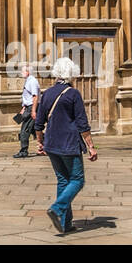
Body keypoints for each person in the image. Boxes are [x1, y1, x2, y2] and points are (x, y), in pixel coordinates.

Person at [33, 57, 96, 235]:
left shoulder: (48, 93)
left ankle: (65, 224)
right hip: (69, 144)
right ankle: (58, 208)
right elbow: (82, 123)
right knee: (77, 180)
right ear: (71, 74)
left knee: (63, 180)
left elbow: (39, 122)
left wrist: (40, 142)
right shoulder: (73, 94)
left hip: (52, 144)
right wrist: (91, 146)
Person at [13, 65, 41, 159]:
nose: (21, 73)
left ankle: (23, 151)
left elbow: (35, 96)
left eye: (23, 71)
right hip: (28, 107)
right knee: (33, 129)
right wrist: (23, 108)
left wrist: (33, 110)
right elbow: (27, 96)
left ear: (28, 72)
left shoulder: (32, 81)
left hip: (31, 108)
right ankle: (46, 146)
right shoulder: (28, 80)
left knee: (24, 129)